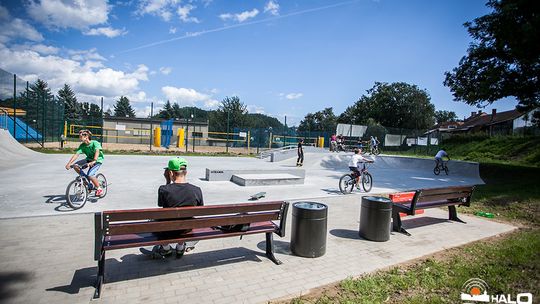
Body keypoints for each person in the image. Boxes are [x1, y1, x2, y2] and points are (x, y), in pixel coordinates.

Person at [150, 157, 204, 258]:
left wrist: (167, 182)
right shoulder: (197, 190)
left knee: (154, 221)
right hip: (186, 230)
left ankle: (166, 249)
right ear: (186, 172)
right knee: (185, 220)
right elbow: (200, 209)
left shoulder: (163, 189)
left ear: (170, 173)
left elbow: (161, 204)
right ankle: (180, 248)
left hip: (167, 231)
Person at [65, 129, 104, 196]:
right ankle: (87, 181)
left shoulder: (95, 143)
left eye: (81, 136)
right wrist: (69, 163)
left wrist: (94, 160)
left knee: (90, 174)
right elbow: (76, 154)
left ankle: (99, 189)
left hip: (97, 160)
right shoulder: (82, 145)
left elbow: (97, 151)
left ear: (86, 137)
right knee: (75, 166)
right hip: (88, 159)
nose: (80, 138)